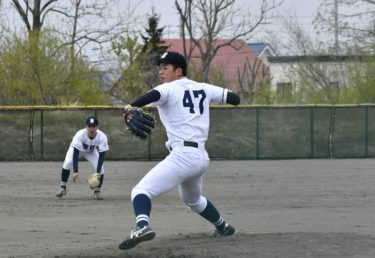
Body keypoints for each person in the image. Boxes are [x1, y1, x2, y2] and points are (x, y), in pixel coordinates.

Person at [119, 51, 241, 250]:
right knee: (192, 200)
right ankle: (224, 227)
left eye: (165, 68)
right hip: (201, 158)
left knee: (141, 191)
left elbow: (153, 95)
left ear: (178, 71)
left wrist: (130, 107)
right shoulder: (204, 88)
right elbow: (234, 98)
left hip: (183, 156)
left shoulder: (168, 88)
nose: (161, 72)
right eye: (160, 68)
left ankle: (142, 227)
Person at [56, 116, 109, 200]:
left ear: (97, 127)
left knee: (101, 170)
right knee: (67, 163)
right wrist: (76, 171)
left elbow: (102, 155)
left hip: (91, 152)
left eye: (94, 126)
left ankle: (97, 192)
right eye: (89, 126)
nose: (91, 128)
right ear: (86, 127)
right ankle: (63, 188)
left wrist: (97, 172)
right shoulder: (80, 134)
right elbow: (76, 153)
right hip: (77, 150)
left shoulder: (102, 136)